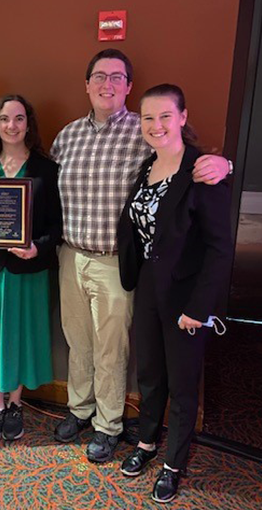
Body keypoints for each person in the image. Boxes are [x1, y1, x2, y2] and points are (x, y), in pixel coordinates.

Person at [50, 49, 232, 463]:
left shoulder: (145, 129)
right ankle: (79, 409)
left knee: (111, 348)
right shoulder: (67, 136)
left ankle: (108, 425)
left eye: (117, 77)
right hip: (70, 254)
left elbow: (195, 162)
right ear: (87, 84)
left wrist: (226, 164)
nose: (107, 83)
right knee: (78, 341)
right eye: (99, 75)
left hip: (116, 261)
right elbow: (42, 190)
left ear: (128, 86)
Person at [116, 84, 233, 503]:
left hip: (187, 297)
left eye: (165, 116)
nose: (156, 125)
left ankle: (173, 464)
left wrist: (198, 309)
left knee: (182, 387)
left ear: (183, 117)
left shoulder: (203, 170)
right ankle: (147, 443)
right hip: (148, 286)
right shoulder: (147, 166)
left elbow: (221, 249)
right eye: (148, 118)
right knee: (150, 375)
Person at [0, 95, 63, 443]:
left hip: (26, 269)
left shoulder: (46, 170)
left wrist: (37, 248)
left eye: (19, 118)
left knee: (21, 335)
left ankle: (16, 403)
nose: (12, 126)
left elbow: (56, 227)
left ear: (28, 124)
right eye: (4, 119)